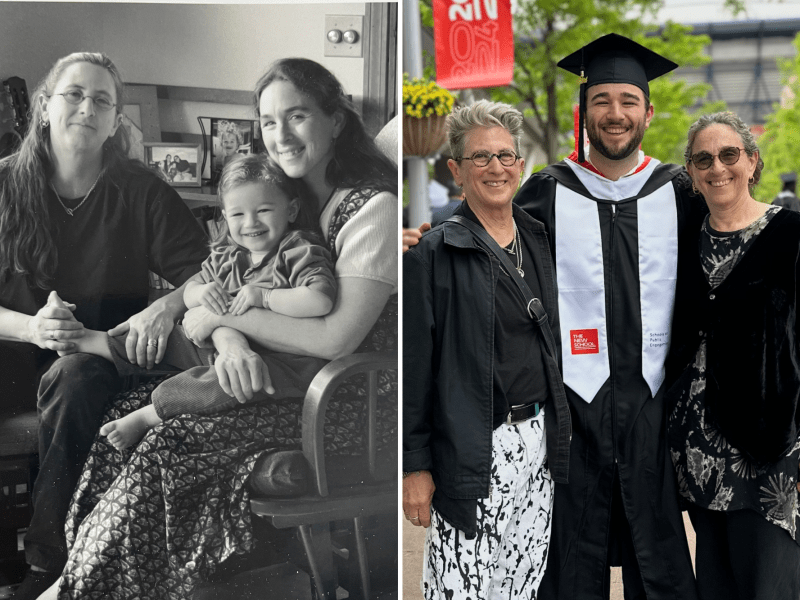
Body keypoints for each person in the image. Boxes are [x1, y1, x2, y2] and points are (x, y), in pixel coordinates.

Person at [41, 57, 397, 600]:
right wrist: (213, 322)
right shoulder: (292, 205)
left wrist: (221, 317)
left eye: (297, 116)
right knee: (119, 412)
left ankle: (85, 589)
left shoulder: (371, 210)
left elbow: (335, 339)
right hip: (287, 383)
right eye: (270, 121)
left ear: (337, 121)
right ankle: (81, 574)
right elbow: (217, 278)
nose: (282, 135)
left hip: (345, 406)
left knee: (171, 439)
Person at [0, 52, 209, 600]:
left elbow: (207, 272)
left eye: (101, 100)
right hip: (12, 352)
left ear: (116, 120)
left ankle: (49, 567)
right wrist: (32, 329)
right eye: (74, 94)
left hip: (94, 360)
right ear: (45, 106)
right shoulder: (3, 184)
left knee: (74, 379)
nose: (86, 108)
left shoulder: (140, 188)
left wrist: (163, 309)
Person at [513, 34, 702, 599]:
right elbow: (493, 260)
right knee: (571, 556)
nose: (614, 114)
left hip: (655, 407)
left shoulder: (680, 192)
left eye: (627, 100)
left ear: (648, 110)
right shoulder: (545, 193)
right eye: (602, 101)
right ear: (585, 111)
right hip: (573, 409)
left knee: (661, 553)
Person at [403, 99, 571, 599]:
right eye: (480, 157)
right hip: (474, 447)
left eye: (505, 155)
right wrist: (414, 466)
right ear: (456, 169)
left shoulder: (539, 239)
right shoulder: (433, 253)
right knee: (462, 585)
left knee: (521, 582)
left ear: (521, 164)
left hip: (537, 442)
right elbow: (415, 369)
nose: (495, 167)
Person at [60, 153, 337, 451]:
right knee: (170, 338)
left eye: (264, 210)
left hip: (280, 362)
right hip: (219, 344)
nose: (251, 223)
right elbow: (193, 289)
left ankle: (150, 414)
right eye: (238, 215)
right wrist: (199, 294)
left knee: (224, 383)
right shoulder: (229, 255)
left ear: (291, 209)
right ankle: (92, 340)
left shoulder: (298, 251)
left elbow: (319, 300)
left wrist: (266, 297)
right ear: (225, 217)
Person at [666, 111, 800, 600]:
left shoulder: (790, 234)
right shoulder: (680, 239)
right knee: (717, 584)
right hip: (695, 452)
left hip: (769, 449)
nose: (717, 167)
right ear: (692, 173)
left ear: (752, 161)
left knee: (770, 582)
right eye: (703, 158)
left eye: (729, 154)